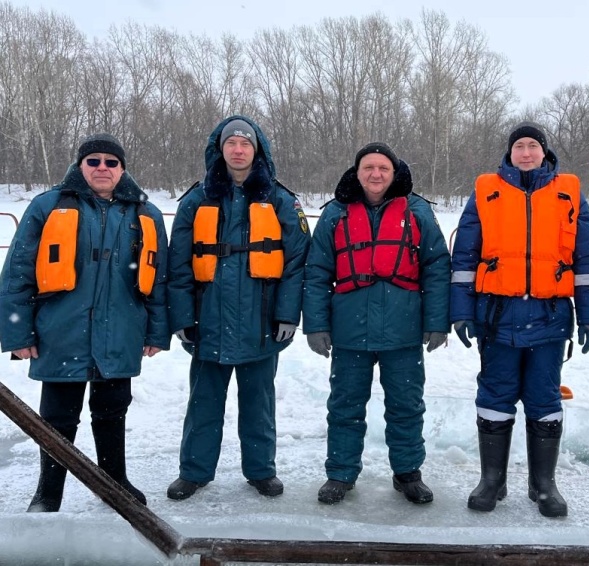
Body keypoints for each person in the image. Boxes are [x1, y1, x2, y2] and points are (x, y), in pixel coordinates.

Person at [0, 133, 170, 511]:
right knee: (57, 418)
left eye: (111, 162)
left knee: (112, 411)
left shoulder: (146, 214)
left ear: (123, 169)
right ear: (80, 166)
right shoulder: (48, 207)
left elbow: (160, 280)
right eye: (93, 161)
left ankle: (114, 482)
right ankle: (49, 491)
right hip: (61, 334)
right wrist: (17, 332)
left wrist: (157, 330)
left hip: (121, 332)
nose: (102, 168)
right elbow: (16, 274)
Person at [450, 122, 589, 517]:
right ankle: (492, 480)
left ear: (544, 152)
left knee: (544, 398)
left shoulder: (569, 191)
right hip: (496, 317)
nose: (526, 152)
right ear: (509, 152)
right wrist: (461, 311)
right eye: (519, 146)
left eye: (533, 145)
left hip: (549, 317)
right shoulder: (486, 190)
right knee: (495, 395)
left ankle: (543, 484)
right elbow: (465, 258)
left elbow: (586, 260)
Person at [166, 116, 310, 500]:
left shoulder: (281, 199)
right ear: (221, 148)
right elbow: (178, 263)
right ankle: (194, 472)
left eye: (246, 143)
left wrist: (287, 315)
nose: (238, 149)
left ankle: (261, 470)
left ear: (257, 149)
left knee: (259, 404)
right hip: (208, 321)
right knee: (203, 404)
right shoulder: (197, 199)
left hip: (261, 323)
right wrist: (182, 316)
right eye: (232, 143)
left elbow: (297, 263)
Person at [303, 142, 451, 505]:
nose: (375, 174)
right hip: (350, 328)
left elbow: (436, 269)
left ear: (394, 172)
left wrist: (437, 322)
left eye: (383, 168)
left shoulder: (417, 211)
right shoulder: (335, 214)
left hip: (403, 330)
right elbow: (317, 271)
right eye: (368, 167)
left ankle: (408, 474)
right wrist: (316, 325)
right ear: (357, 173)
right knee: (345, 405)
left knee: (406, 405)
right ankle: (340, 473)